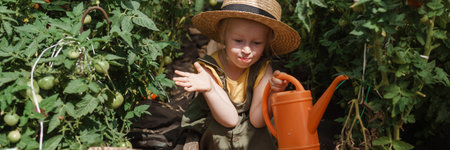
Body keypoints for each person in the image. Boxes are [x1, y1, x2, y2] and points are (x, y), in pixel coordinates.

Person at [173, 0, 300, 149]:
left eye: (257, 43)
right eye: (238, 40)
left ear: (266, 43)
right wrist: (210, 89)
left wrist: (273, 92)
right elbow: (230, 120)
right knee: (220, 137)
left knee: (262, 134)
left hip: (252, 127)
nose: (246, 49)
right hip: (220, 123)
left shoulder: (263, 69)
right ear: (224, 37)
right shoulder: (209, 69)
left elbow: (257, 119)